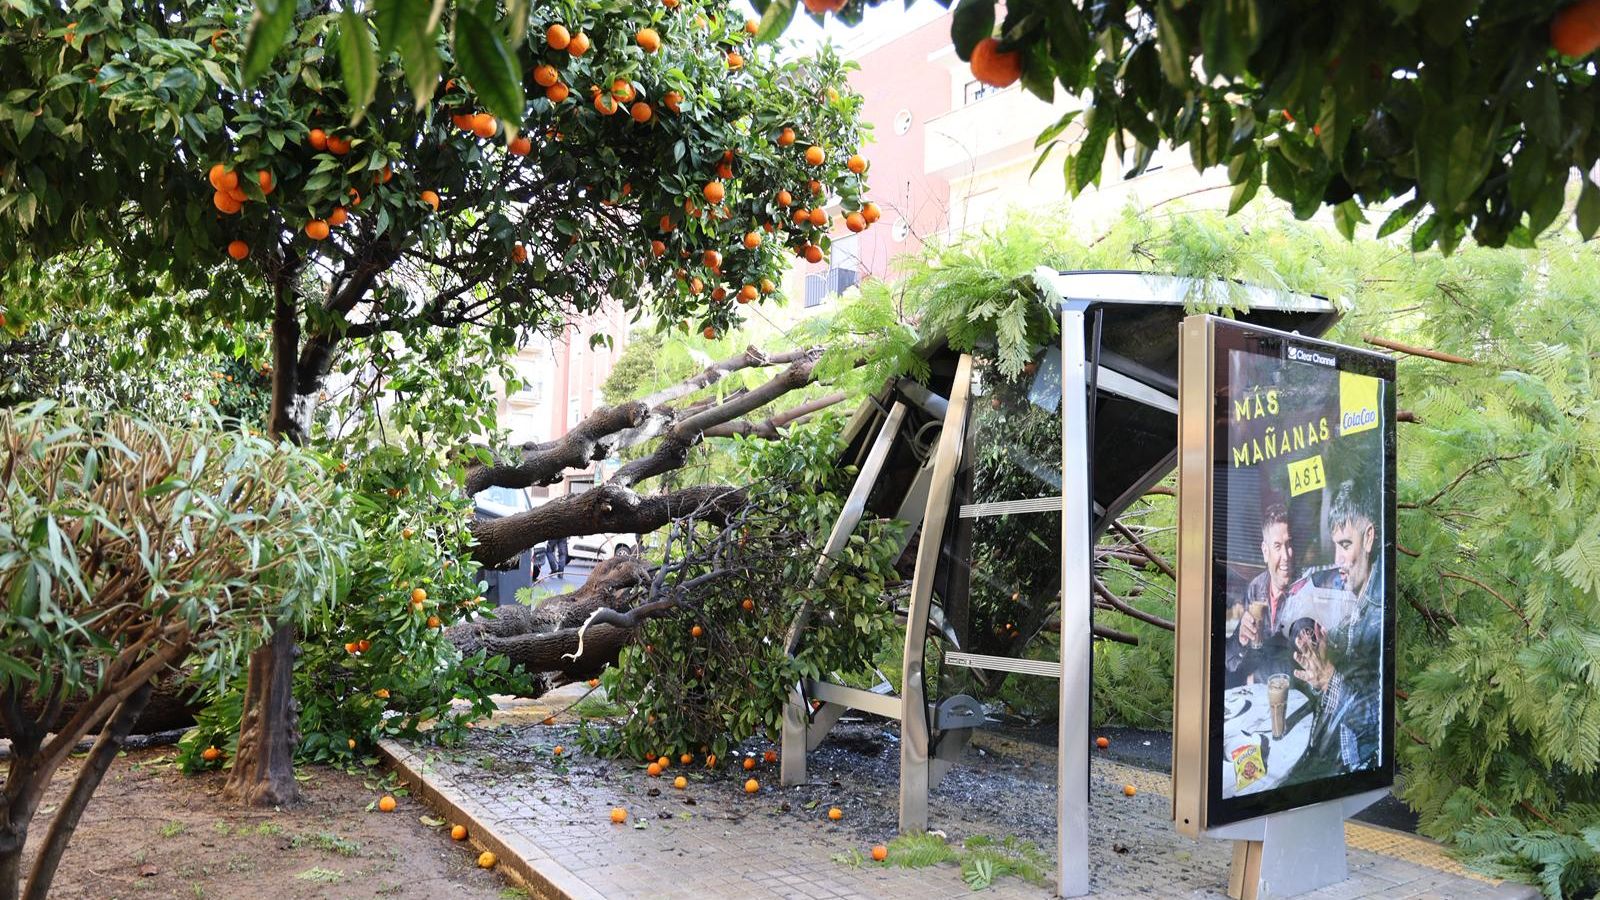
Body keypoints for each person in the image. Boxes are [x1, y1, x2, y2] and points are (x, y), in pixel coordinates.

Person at [1294, 479, 1383, 775]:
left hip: (1355, 765)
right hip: (1333, 749)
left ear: (1368, 538)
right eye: (1336, 546)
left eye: (1345, 545)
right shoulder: (1354, 595)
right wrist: (1319, 660)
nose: (1337, 560)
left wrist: (1328, 679)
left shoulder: (1378, 613)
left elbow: (1377, 718)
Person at [1225, 504, 1302, 687]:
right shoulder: (1256, 588)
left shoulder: (1302, 589)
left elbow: (1300, 664)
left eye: (1289, 545)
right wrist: (1241, 640)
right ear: (1265, 552)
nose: (1286, 556)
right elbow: (1230, 662)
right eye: (1277, 546)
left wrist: (1255, 678)